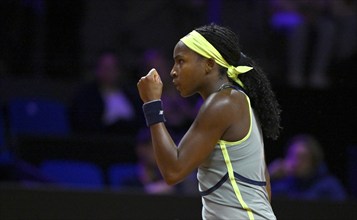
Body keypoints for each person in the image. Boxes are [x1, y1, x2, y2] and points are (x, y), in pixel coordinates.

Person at [137, 24, 281, 220]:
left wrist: (152, 104)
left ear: (209, 64)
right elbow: (266, 183)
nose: (172, 72)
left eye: (181, 61)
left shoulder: (223, 103)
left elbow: (173, 171)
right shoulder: (234, 100)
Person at [70, 50, 142, 135]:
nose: (109, 72)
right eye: (105, 68)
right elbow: (84, 125)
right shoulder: (86, 96)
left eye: (113, 68)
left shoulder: (132, 95)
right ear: (97, 70)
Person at [268, 134, 347, 201]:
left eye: (302, 158)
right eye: (292, 156)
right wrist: (268, 176)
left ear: (314, 161)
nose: (296, 163)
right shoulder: (282, 186)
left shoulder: (329, 187)